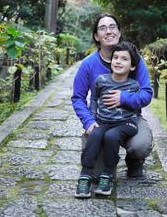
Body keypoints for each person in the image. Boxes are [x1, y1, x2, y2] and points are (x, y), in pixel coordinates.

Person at [71, 13, 153, 178]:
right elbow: (78, 98)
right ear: (97, 36)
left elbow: (146, 93)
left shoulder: (134, 60)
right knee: (96, 175)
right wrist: (88, 121)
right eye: (102, 28)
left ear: (119, 32)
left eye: (112, 26)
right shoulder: (88, 64)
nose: (108, 31)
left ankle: (134, 160)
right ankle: (106, 161)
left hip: (130, 119)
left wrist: (123, 98)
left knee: (141, 146)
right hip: (101, 120)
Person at [75, 42, 141, 198]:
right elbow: (94, 99)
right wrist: (91, 120)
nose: (118, 61)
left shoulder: (134, 86)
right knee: (96, 134)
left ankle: (107, 176)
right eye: (115, 57)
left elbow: (137, 107)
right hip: (103, 121)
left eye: (124, 59)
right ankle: (85, 175)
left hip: (126, 123)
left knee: (111, 136)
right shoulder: (101, 80)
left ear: (132, 67)